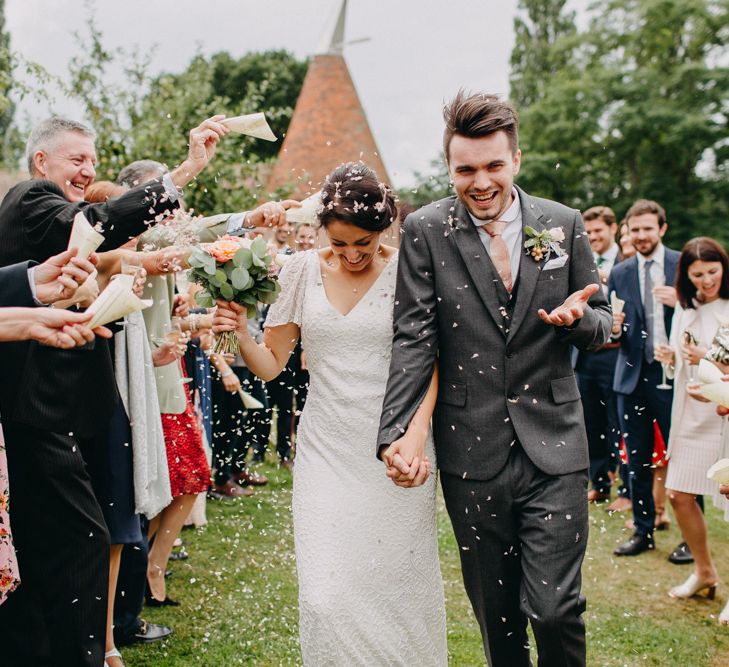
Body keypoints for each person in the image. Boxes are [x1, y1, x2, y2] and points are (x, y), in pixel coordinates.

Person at [377, 92, 611, 667]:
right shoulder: (427, 230)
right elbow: (414, 337)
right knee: (497, 615)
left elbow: (603, 322)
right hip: (470, 449)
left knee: (555, 608)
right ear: (449, 167)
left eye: (493, 166)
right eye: (465, 169)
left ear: (517, 161)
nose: (480, 182)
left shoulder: (563, 224)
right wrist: (396, 432)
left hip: (554, 444)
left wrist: (582, 321)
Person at [0, 114, 229, 665]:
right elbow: (98, 218)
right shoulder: (31, 199)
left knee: (40, 545)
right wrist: (185, 171)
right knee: (82, 539)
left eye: (94, 161)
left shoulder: (48, 221)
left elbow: (90, 247)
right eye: (78, 159)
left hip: (48, 404)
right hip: (35, 408)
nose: (89, 170)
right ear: (42, 163)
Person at [214, 162, 448, 666]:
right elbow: (272, 366)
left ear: (384, 227)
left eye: (363, 243)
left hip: (397, 446)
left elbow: (431, 362)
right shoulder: (300, 270)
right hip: (325, 448)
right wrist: (240, 331)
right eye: (340, 244)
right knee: (326, 596)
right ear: (324, 229)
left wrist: (417, 432)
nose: (352, 255)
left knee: (395, 588)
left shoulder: (410, 267)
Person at [654, 238, 729, 605]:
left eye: (712, 272)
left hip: (724, 416)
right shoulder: (686, 308)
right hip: (688, 415)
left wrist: (705, 358)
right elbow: (685, 363)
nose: (706, 281)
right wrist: (672, 358)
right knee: (679, 495)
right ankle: (704, 570)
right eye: (698, 274)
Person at [608, 199, 680, 557]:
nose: (641, 236)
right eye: (635, 230)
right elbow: (613, 328)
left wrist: (680, 302)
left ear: (662, 229)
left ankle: (686, 536)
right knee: (636, 458)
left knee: (679, 456)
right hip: (631, 377)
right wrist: (615, 328)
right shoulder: (620, 273)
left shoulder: (680, 264)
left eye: (648, 228)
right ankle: (643, 530)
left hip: (672, 375)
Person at [574, 206, 623, 503]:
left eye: (598, 231)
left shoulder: (628, 261)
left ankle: (627, 485)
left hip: (618, 354)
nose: (592, 237)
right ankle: (601, 482)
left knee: (619, 419)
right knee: (591, 420)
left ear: (613, 228)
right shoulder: (580, 259)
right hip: (585, 354)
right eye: (588, 232)